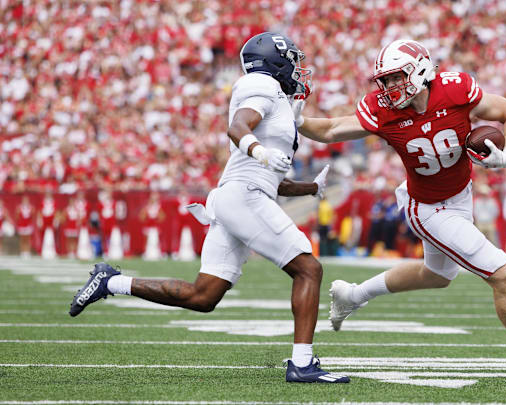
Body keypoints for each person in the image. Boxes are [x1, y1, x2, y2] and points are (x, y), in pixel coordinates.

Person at [296, 39, 506, 377]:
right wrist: (301, 121)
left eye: (396, 77)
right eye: (385, 81)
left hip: (461, 196)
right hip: (427, 206)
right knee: (504, 275)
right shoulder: (383, 109)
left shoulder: (455, 89)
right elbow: (332, 129)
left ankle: (353, 295)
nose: (390, 87)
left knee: (436, 275)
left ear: (420, 70)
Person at [69, 32, 348, 384]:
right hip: (244, 196)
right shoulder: (260, 83)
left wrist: (311, 188)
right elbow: (237, 128)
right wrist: (260, 151)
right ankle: (303, 364)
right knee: (308, 269)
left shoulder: (278, 99)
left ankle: (112, 282)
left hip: (241, 194)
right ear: (272, 60)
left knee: (203, 296)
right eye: (290, 59)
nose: (296, 68)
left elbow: (269, 178)